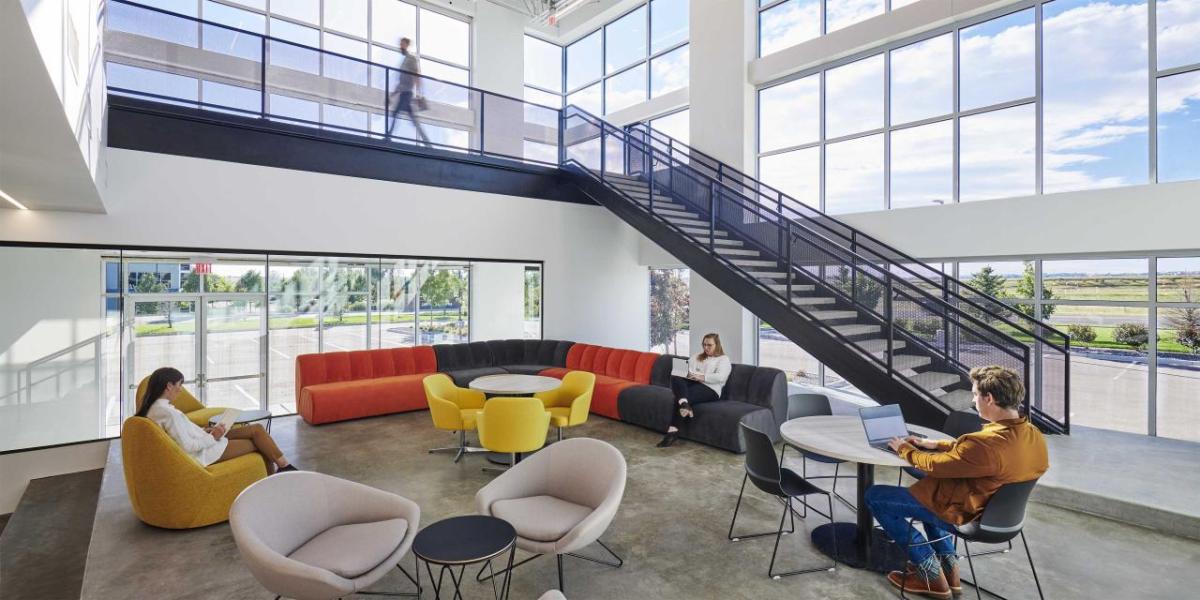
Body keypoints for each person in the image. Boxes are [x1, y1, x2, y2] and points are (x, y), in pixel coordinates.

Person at [864, 366, 1049, 599]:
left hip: (967, 514)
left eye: (974, 395)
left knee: (875, 496)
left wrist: (905, 449)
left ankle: (930, 575)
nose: (973, 400)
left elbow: (933, 465)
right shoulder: (1032, 434)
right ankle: (950, 570)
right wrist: (933, 443)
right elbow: (980, 455)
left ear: (989, 398)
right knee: (930, 494)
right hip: (1002, 518)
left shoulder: (983, 445)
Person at [135, 367, 297, 474]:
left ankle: (284, 466)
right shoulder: (168, 413)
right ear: (169, 386)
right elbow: (189, 447)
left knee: (256, 430)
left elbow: (183, 433)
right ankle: (280, 474)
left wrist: (205, 431)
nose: (180, 389)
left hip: (205, 438)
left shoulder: (157, 408)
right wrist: (213, 437)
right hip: (205, 451)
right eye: (179, 384)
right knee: (260, 444)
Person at [656, 333, 732, 448]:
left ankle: (672, 431)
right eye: (704, 344)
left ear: (717, 345)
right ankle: (685, 405)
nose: (706, 347)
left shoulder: (723, 359)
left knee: (680, 395)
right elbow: (684, 370)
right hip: (693, 383)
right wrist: (689, 374)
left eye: (709, 345)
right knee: (676, 374)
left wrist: (700, 376)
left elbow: (720, 377)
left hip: (711, 389)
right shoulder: (697, 356)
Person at [386, 37, 431, 146]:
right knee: (414, 120)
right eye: (400, 44)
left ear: (407, 45)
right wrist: (392, 95)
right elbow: (401, 82)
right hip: (404, 92)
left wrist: (418, 92)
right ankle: (427, 142)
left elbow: (416, 75)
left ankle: (388, 136)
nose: (400, 47)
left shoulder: (411, 59)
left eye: (402, 44)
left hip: (407, 93)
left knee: (396, 113)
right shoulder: (405, 60)